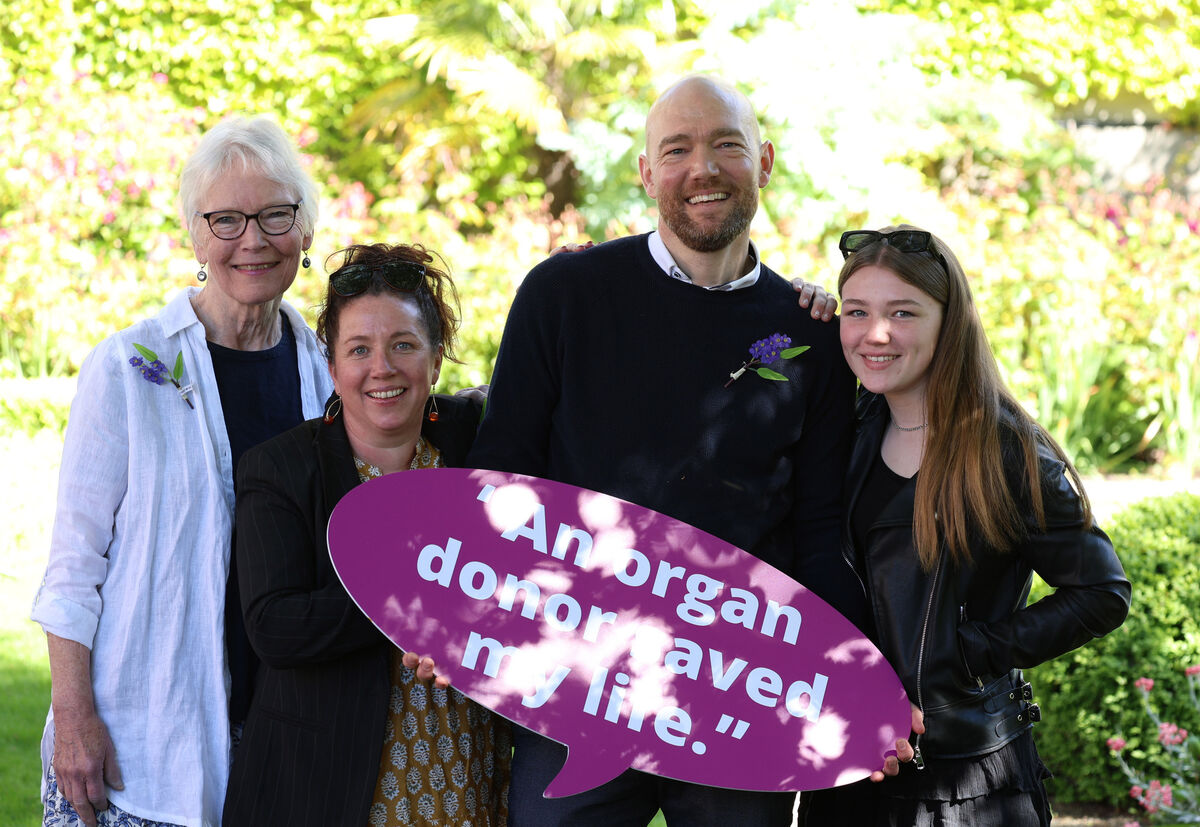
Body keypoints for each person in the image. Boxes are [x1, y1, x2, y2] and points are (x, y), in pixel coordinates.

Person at [468, 74, 863, 826]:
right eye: (676, 150)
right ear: (647, 174)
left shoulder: (808, 333)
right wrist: (467, 618)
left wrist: (845, 680)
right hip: (573, 672)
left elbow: (819, 529)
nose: (702, 169)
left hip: (736, 682)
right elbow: (502, 476)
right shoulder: (562, 296)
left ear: (766, 162)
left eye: (726, 146)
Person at [31, 116, 333, 826]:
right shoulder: (129, 368)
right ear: (195, 236)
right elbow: (74, 564)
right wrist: (74, 719)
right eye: (225, 219)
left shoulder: (327, 372)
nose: (252, 239)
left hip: (280, 739)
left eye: (274, 215)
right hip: (139, 750)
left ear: (306, 231)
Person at [833, 225, 1131, 825]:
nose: (876, 334)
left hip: (964, 780)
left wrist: (966, 653)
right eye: (856, 311)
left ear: (951, 322)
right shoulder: (848, 431)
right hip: (851, 767)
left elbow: (1102, 593)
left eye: (903, 312)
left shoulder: (1006, 453)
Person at [222, 243, 511, 826]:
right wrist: (417, 603)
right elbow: (273, 625)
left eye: (404, 345)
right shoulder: (281, 469)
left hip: (465, 766)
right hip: (328, 784)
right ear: (333, 366)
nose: (382, 367)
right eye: (360, 349)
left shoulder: (475, 448)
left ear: (436, 360)